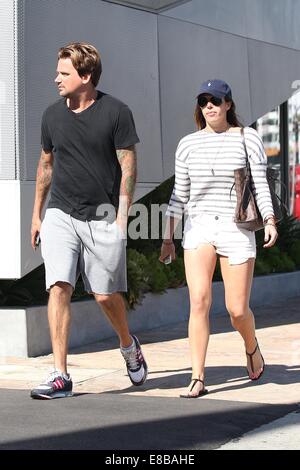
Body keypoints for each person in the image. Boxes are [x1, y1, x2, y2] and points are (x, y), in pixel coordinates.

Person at [30, 42, 147, 399]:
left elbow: (128, 164)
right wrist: (37, 214)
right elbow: (46, 164)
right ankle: (60, 375)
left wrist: (123, 213)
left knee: (104, 295)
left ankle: (128, 345)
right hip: (60, 214)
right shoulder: (52, 115)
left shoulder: (115, 112)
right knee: (59, 286)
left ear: (86, 76)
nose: (56, 79)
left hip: (102, 216)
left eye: (63, 73)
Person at [160, 79, 278, 398]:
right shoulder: (187, 144)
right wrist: (168, 236)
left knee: (237, 309)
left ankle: (251, 346)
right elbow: (179, 194)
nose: (210, 105)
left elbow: (261, 185)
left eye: (216, 100)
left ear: (228, 105)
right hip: (199, 228)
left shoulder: (246, 138)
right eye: (204, 100)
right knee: (198, 301)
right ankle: (198, 376)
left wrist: (268, 219)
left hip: (235, 229)